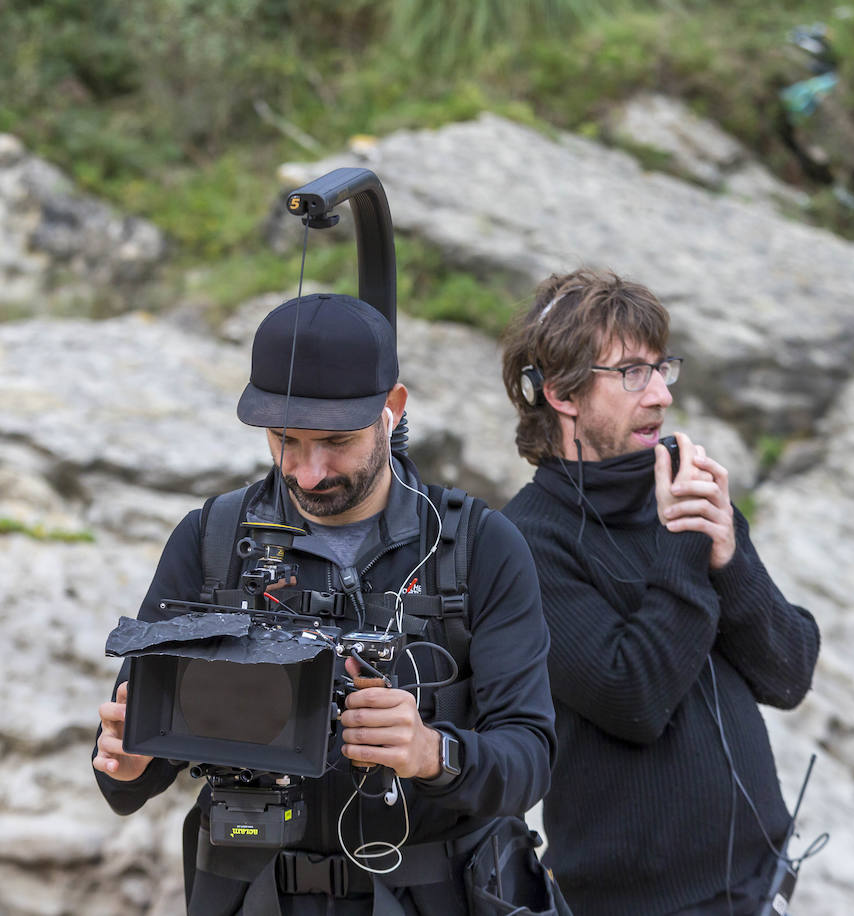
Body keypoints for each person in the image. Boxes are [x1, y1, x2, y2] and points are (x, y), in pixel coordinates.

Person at [94, 293, 558, 915]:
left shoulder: (479, 547)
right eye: (285, 441)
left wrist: (432, 754)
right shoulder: (211, 543)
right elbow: (128, 766)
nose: (309, 473)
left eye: (335, 441)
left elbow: (530, 757)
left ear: (392, 409)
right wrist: (125, 765)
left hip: (430, 894)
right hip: (249, 891)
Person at [497, 269, 821, 916]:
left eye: (662, 368)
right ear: (562, 392)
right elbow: (633, 694)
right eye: (632, 374)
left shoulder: (685, 488)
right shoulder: (524, 542)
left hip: (764, 888)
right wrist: (683, 544)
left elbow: (790, 673)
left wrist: (729, 559)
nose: (661, 395)